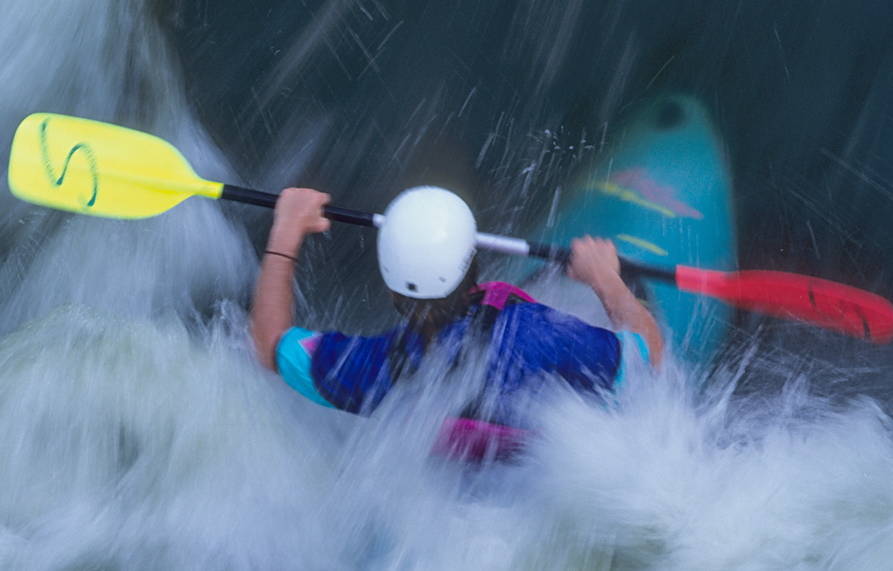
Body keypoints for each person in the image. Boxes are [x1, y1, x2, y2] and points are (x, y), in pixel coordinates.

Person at [250, 185, 664, 460]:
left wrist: (286, 231)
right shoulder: (539, 334)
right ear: (474, 263)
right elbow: (649, 365)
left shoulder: (374, 368)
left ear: (393, 289)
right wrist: (604, 277)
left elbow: (270, 345)